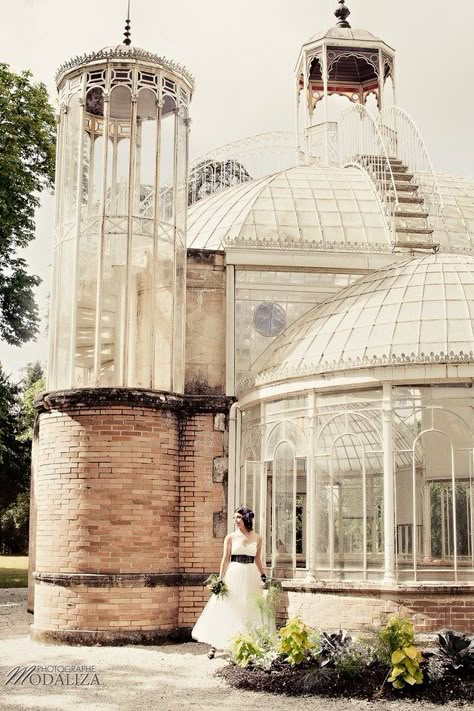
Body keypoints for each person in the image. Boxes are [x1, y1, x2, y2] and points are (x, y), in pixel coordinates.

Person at [191, 506, 267, 659]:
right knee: (227, 605)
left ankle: (245, 643)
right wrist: (220, 578)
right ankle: (215, 644)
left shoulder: (258, 538)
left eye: (238, 517)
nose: (235, 521)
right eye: (234, 518)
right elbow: (225, 559)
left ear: (246, 518)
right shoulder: (230, 537)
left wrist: (263, 574)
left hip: (251, 573)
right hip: (234, 573)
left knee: (248, 606)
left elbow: (257, 558)